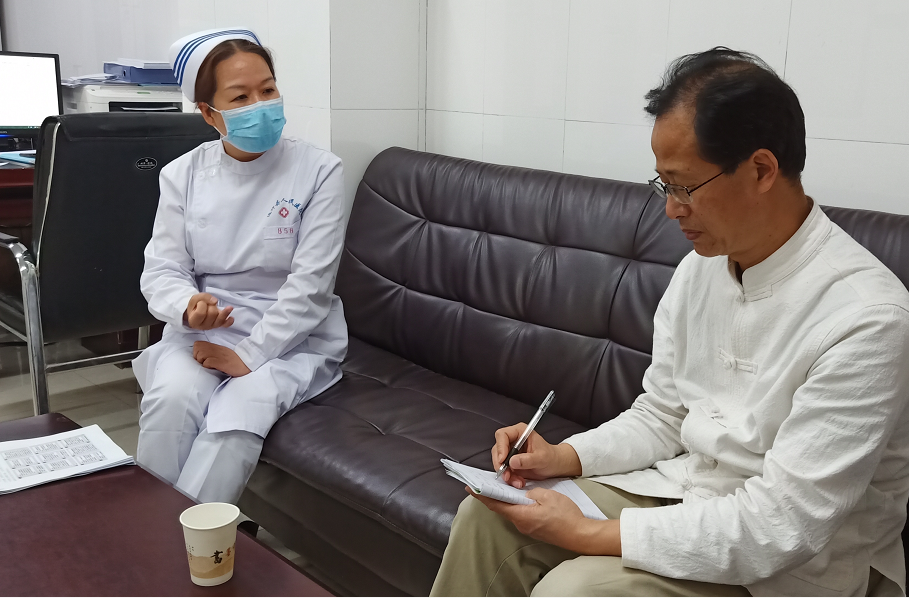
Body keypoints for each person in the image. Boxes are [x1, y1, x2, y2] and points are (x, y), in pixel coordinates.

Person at [431, 48, 909, 597]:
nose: (672, 209)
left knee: (576, 590)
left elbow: (783, 525)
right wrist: (563, 457)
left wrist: (586, 532)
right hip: (686, 491)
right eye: (664, 186)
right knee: (487, 517)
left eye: (684, 187)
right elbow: (663, 414)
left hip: (796, 563)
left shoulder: (866, 318)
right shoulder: (703, 268)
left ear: (761, 170)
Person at [134, 28, 348, 505]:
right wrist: (189, 307)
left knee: (236, 415)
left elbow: (311, 285)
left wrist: (251, 354)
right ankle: (149, 532)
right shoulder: (182, 175)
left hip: (292, 338)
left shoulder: (319, 170)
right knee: (171, 400)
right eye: (240, 97)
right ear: (209, 113)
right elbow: (163, 269)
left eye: (268, 90)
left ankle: (192, 541)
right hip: (205, 331)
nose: (260, 105)